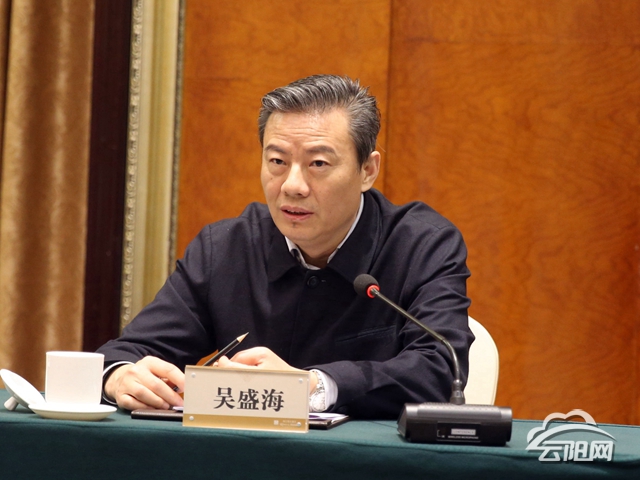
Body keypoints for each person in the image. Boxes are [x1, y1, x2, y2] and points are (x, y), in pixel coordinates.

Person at [97, 74, 473, 419]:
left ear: (367, 171)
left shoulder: (422, 246)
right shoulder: (225, 248)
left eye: (318, 164)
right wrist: (120, 377)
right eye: (277, 161)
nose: (293, 185)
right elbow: (124, 353)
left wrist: (314, 386)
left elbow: (439, 369)